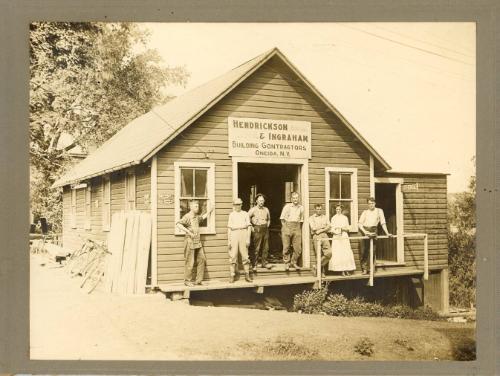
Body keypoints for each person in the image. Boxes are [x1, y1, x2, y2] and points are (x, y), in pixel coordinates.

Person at [176, 200, 214, 286]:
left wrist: (209, 211)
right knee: (190, 262)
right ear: (191, 207)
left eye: (198, 206)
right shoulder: (187, 216)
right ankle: (187, 281)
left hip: (198, 242)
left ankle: (198, 280)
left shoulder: (196, 216)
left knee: (202, 259)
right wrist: (189, 232)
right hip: (190, 241)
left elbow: (203, 217)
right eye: (196, 206)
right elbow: (178, 224)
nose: (198, 208)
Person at [358, 197, 392, 275]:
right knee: (363, 251)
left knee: (372, 250)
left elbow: (383, 223)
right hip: (364, 230)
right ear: (367, 204)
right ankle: (364, 269)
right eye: (369, 203)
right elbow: (359, 224)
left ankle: (370, 269)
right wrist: (365, 232)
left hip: (373, 230)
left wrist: (387, 233)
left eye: (372, 203)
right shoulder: (365, 212)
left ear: (375, 203)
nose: (371, 205)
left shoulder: (379, 211)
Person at [227, 197, 253, 283]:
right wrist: (229, 240)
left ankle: (247, 275)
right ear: (233, 205)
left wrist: (248, 239)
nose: (238, 206)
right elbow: (229, 229)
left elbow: (249, 227)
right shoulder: (232, 215)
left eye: (239, 204)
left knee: (245, 255)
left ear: (241, 205)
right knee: (233, 255)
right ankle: (232, 275)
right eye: (236, 204)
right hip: (234, 234)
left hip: (243, 233)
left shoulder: (245, 214)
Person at [329, 204, 356, 276]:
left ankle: (346, 269)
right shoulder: (333, 218)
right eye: (337, 209)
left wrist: (344, 229)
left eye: (339, 209)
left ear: (341, 210)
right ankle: (341, 271)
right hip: (337, 236)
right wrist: (336, 231)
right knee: (339, 252)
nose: (338, 211)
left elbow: (347, 228)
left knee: (345, 252)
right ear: (335, 210)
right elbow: (331, 229)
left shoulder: (345, 218)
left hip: (344, 235)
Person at [280, 191, 304, 270]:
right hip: (287, 226)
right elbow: (282, 219)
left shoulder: (301, 208)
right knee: (286, 247)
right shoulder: (287, 207)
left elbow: (301, 220)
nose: (295, 199)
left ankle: (293, 262)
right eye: (293, 198)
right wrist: (285, 228)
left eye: (296, 198)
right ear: (291, 199)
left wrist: (297, 229)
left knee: (298, 248)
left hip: (297, 227)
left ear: (298, 198)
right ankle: (286, 263)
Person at [248, 193, 272, 271]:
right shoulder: (253, 210)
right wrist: (251, 226)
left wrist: (267, 225)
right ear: (256, 201)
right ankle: (254, 265)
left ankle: (264, 263)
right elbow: (247, 218)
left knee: (266, 247)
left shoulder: (266, 209)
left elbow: (268, 219)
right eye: (260, 200)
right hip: (257, 229)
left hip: (265, 228)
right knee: (256, 248)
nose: (261, 202)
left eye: (262, 200)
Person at [308, 203, 332, 277]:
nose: (319, 210)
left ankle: (316, 266)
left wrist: (321, 230)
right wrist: (323, 228)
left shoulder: (325, 217)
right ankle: (321, 272)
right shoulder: (311, 218)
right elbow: (313, 228)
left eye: (320, 209)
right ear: (315, 209)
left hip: (324, 235)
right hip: (316, 236)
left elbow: (329, 226)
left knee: (329, 253)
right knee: (318, 254)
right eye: (317, 209)